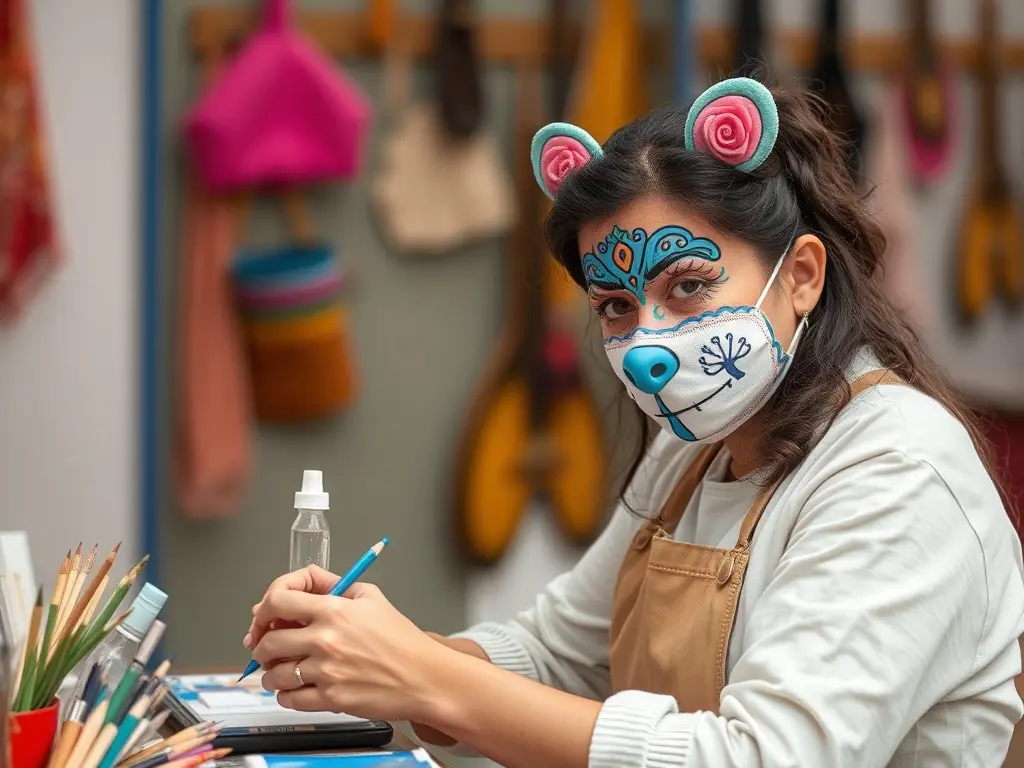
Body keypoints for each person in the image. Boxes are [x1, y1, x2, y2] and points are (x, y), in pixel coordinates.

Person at [241, 76, 1024, 767]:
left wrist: (426, 678)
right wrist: (382, 655)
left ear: (803, 278)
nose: (647, 340)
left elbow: (764, 758)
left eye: (687, 285)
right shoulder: (695, 445)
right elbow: (559, 656)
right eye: (616, 305)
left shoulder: (898, 471)